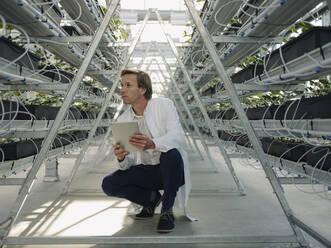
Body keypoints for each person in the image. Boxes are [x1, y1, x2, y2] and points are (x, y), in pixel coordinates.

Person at [102, 69, 191, 233]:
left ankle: (167, 210)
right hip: (146, 172)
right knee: (108, 184)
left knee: (171, 154)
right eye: (122, 85)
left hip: (171, 170)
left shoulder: (164, 105)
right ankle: (150, 199)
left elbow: (177, 136)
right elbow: (127, 165)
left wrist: (152, 144)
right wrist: (121, 158)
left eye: (128, 85)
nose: (122, 89)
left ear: (143, 89)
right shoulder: (123, 120)